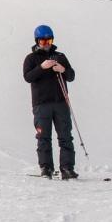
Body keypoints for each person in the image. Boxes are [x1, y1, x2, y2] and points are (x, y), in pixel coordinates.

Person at [22, 24, 78, 179]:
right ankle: (46, 168)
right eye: (43, 41)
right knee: (43, 137)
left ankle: (67, 168)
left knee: (65, 136)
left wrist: (63, 70)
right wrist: (41, 67)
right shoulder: (31, 58)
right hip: (41, 104)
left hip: (61, 102)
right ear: (37, 41)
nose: (47, 43)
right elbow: (28, 77)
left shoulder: (60, 56)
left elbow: (71, 76)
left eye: (49, 40)